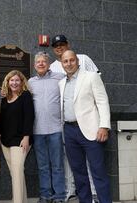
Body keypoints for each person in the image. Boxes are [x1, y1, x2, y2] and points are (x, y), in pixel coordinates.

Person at [49, 34, 99, 202]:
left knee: (93, 163)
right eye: (56, 46)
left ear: (68, 45)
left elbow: (98, 84)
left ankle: (94, 192)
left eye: (62, 44)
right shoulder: (52, 67)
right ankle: (72, 190)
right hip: (68, 124)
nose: (59, 47)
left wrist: (101, 121)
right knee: (73, 162)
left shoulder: (83, 59)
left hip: (88, 121)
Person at [59, 50, 111, 203]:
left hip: (92, 131)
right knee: (78, 173)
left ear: (77, 61)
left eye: (71, 60)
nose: (69, 64)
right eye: (65, 61)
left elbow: (102, 101)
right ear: (62, 64)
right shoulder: (61, 83)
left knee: (98, 172)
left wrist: (104, 126)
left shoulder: (91, 77)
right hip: (69, 131)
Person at [28, 52, 65, 203]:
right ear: (34, 65)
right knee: (43, 166)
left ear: (49, 64)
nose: (41, 64)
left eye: (44, 61)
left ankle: (60, 196)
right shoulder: (30, 82)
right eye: (38, 62)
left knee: (57, 166)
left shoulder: (60, 78)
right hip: (38, 131)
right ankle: (45, 195)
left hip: (56, 129)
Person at [0, 70, 35, 203]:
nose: (14, 83)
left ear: (22, 82)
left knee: (17, 172)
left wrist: (26, 137)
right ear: (7, 82)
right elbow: (2, 120)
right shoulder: (4, 99)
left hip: (20, 141)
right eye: (11, 80)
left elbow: (29, 117)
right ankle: (22, 200)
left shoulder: (25, 96)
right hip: (5, 141)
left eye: (17, 80)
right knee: (16, 174)